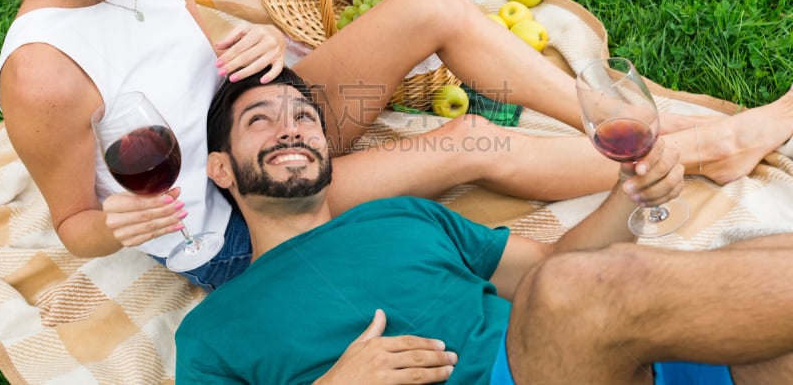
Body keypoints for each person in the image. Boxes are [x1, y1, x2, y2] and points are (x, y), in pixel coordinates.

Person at [0, 0, 793, 291]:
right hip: (238, 211)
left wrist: (260, 52)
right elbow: (76, 229)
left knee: (426, 5)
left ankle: (599, 111)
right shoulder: (42, 74)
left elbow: (193, 51)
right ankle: (692, 149)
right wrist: (121, 224)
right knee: (471, 140)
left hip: (266, 114)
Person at [175, 68, 793, 384]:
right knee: (570, 292)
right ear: (221, 169)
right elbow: (566, 290)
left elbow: (550, 267)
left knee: (769, 258)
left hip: (602, 361)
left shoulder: (399, 216)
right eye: (260, 119)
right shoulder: (210, 332)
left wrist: (628, 192)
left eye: (305, 117)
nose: (291, 128)